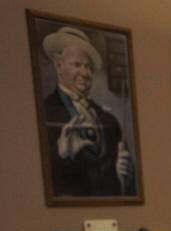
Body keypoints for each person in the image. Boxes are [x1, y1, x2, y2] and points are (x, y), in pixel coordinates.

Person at [42, 26, 134, 197]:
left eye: (88, 67)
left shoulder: (110, 121)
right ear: (59, 65)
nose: (85, 73)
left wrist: (123, 176)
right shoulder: (46, 113)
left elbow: (126, 187)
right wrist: (61, 155)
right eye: (77, 65)